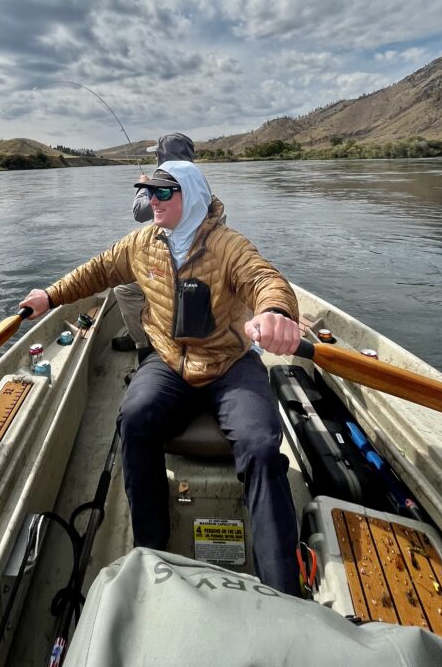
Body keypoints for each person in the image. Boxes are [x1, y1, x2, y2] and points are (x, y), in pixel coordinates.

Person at [20, 160, 302, 595]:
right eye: (147, 191)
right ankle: (151, 548)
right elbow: (97, 270)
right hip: (170, 362)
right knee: (133, 419)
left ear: (190, 195)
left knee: (261, 446)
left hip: (229, 365)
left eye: (162, 192)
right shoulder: (142, 243)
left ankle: (281, 588)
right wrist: (50, 295)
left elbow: (264, 279)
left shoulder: (228, 245)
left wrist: (275, 312)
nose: (151, 200)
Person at [113, 132, 196, 351]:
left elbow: (140, 213)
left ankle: (145, 345)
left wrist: (144, 186)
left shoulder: (169, 185)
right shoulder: (197, 183)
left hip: (176, 271)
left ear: (162, 157)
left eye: (157, 155)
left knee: (124, 289)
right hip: (190, 265)